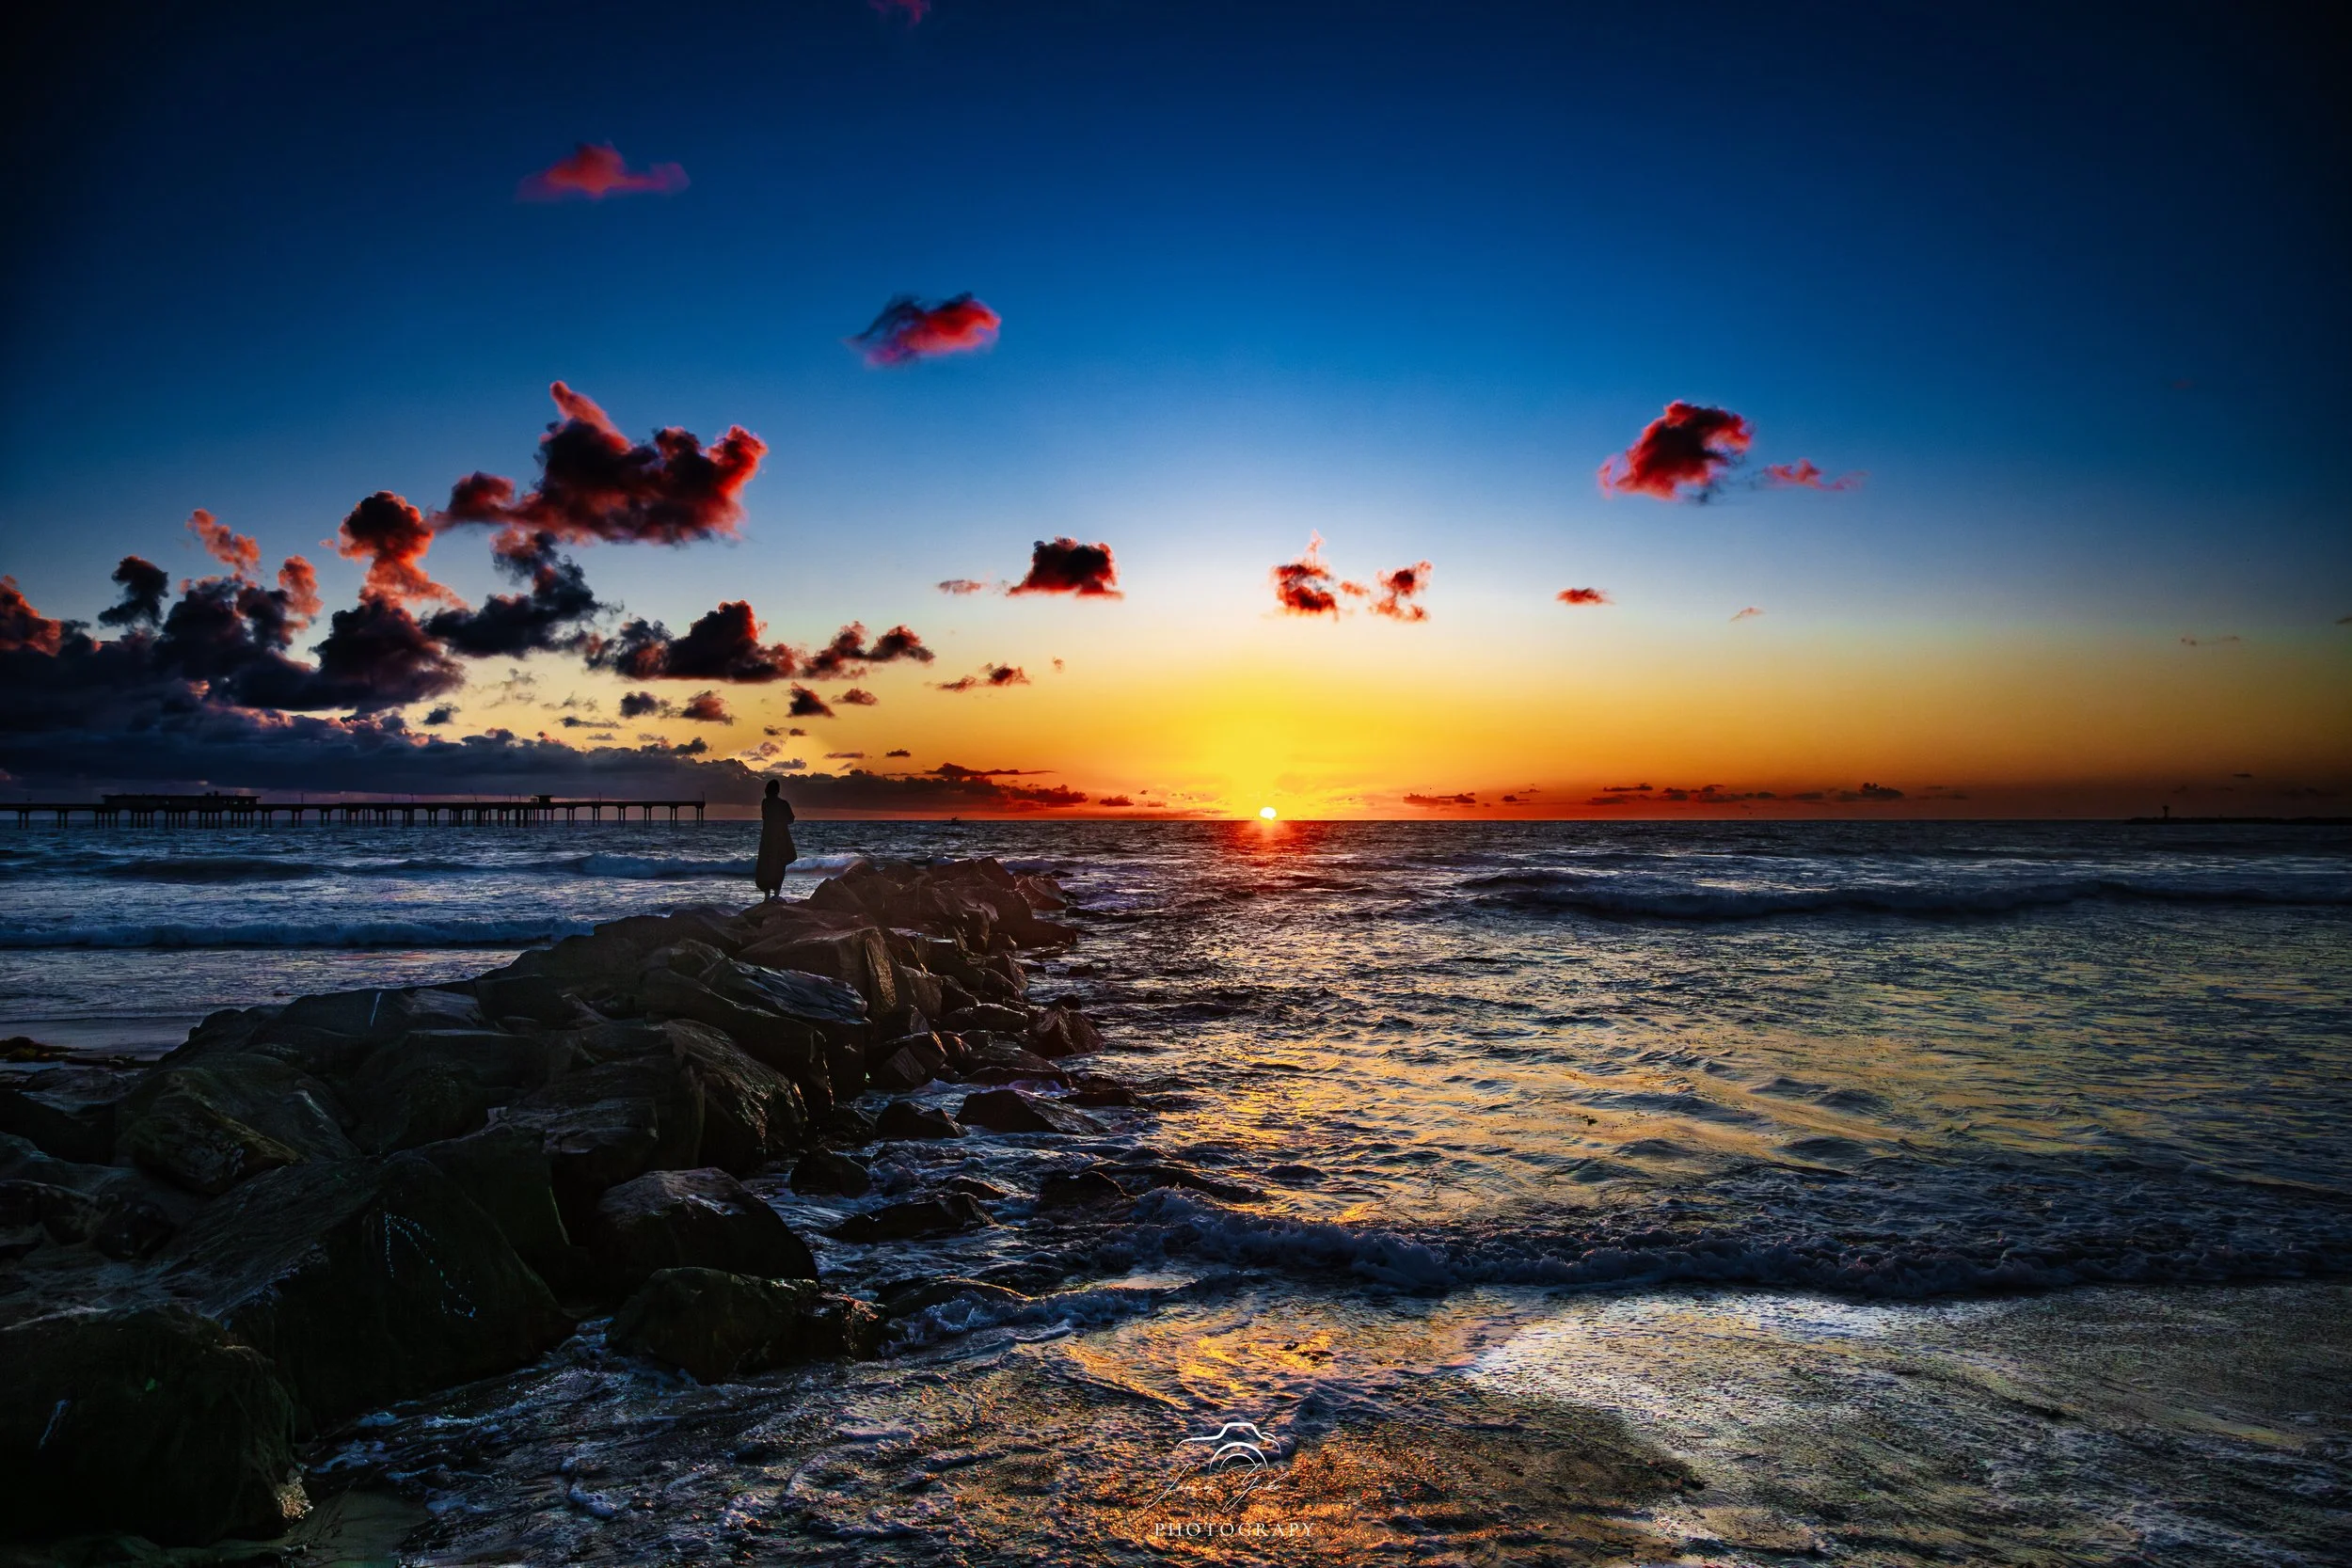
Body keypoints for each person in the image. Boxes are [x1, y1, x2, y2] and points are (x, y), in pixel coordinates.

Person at [753, 779, 796, 900]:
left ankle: (766, 896)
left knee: (765, 865)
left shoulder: (765, 803)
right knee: (779, 864)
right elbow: (791, 819)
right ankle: (776, 895)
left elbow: (764, 816)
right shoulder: (783, 803)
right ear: (778, 790)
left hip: (767, 838)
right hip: (781, 837)